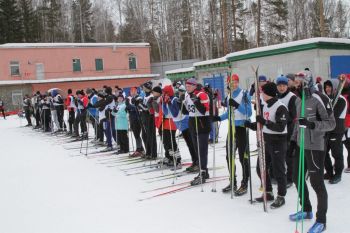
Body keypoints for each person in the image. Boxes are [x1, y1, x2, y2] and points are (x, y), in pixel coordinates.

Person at [289, 70, 335, 233]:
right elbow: (297, 123)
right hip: (302, 144)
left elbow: (331, 124)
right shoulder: (298, 100)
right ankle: (306, 209)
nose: (295, 84)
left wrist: (312, 125)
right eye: (295, 81)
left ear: (306, 81)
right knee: (296, 176)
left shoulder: (319, 98)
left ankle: (321, 220)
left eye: (297, 81)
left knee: (317, 183)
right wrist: (293, 141)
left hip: (316, 146)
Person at [245, 82, 288, 208]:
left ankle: (281, 196)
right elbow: (262, 124)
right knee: (261, 168)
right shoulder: (265, 106)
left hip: (278, 141)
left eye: (263, 92)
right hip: (266, 141)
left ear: (268, 93)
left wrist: (264, 121)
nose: (261, 95)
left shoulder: (280, 107)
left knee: (278, 170)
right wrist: (251, 125)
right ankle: (268, 192)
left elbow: (280, 127)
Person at [213, 74, 252, 196]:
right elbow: (229, 113)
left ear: (238, 82)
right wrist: (219, 117)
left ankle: (244, 182)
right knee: (229, 156)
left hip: (241, 128)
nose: (233, 84)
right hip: (232, 128)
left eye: (235, 82)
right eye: (231, 82)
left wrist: (237, 105)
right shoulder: (229, 95)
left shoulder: (244, 94)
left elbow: (249, 113)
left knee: (242, 157)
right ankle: (232, 181)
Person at [182, 77, 211, 186]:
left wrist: (196, 101)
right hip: (192, 123)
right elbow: (186, 111)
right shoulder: (187, 95)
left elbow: (204, 110)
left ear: (194, 86)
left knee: (202, 150)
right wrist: (181, 103)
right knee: (197, 149)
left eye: (189, 86)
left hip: (202, 124)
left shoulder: (202, 94)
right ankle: (204, 171)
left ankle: (202, 172)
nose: (187, 88)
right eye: (186, 86)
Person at [323, 79, 347, 184]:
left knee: (336, 154)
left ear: (335, 87)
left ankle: (338, 174)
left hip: (336, 131)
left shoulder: (341, 100)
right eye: (326, 87)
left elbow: (334, 115)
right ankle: (329, 172)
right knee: (323, 152)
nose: (327, 89)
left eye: (330, 86)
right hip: (326, 130)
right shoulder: (326, 99)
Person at [276, 76, 298, 188]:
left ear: (287, 86)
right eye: (279, 86)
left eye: (284, 85)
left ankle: (290, 178)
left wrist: (282, 119)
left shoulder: (292, 97)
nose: (281, 88)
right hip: (277, 130)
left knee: (289, 156)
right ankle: (279, 175)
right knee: (280, 155)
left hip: (289, 130)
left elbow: (293, 115)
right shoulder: (276, 96)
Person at [161, 85, 181, 168]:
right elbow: (165, 112)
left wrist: (168, 103)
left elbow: (175, 113)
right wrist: (164, 103)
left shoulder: (174, 99)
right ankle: (171, 158)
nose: (163, 94)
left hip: (172, 122)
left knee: (172, 141)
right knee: (166, 141)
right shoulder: (165, 98)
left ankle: (178, 159)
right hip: (166, 121)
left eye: (164, 92)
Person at [125, 87, 145, 157]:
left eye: (134, 91)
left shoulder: (139, 98)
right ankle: (140, 148)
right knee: (135, 134)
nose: (133, 92)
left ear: (137, 91)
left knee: (137, 134)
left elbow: (136, 107)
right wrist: (128, 108)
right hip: (131, 118)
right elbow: (127, 106)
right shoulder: (128, 98)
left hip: (137, 117)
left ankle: (139, 149)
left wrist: (130, 107)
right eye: (131, 91)